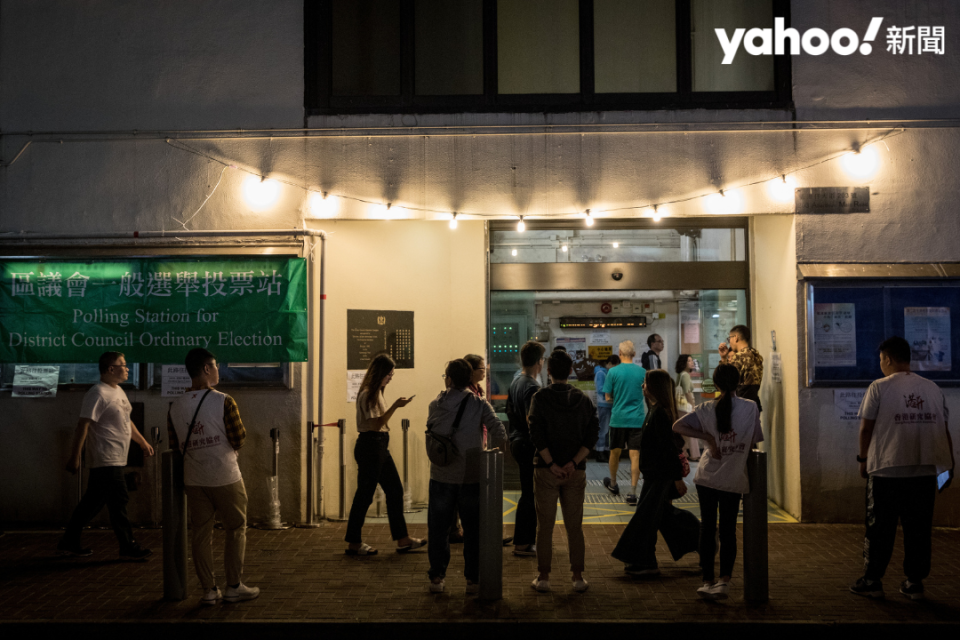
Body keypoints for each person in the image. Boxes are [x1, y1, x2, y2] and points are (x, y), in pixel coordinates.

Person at [848, 337, 954, 601]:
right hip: (924, 471)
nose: (880, 364)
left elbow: (866, 428)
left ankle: (873, 580)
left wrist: (863, 460)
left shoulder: (879, 387)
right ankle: (914, 582)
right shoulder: (932, 388)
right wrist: (948, 465)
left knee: (879, 529)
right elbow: (944, 430)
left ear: (888, 359)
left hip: (886, 470)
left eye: (881, 359)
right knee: (918, 529)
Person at [167, 348, 258, 605]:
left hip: (194, 479)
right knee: (236, 528)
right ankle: (233, 586)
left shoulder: (175, 406)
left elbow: (175, 445)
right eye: (216, 365)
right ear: (206, 369)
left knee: (201, 534)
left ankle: (208, 590)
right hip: (225, 475)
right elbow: (239, 438)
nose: (218, 370)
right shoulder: (224, 401)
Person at [673, 363, 763, 601]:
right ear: (738, 382)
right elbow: (755, 439)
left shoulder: (705, 408)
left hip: (707, 477)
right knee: (728, 531)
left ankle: (707, 581)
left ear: (716, 385)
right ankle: (724, 581)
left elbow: (677, 425)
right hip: (734, 478)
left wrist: (709, 439)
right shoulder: (751, 407)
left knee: (707, 528)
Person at [58, 351, 154, 560]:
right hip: (105, 457)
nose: (127, 368)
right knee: (119, 500)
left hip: (117, 457)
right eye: (123, 365)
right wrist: (75, 457)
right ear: (111, 369)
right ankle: (128, 546)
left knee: (92, 503)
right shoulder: (97, 393)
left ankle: (69, 541)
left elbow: (127, 420)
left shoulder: (118, 391)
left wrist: (142, 442)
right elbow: (83, 425)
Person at [427, 359, 508, 594]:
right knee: (473, 531)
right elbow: (499, 432)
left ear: (449, 379)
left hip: (441, 475)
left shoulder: (435, 404)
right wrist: (489, 453)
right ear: (470, 378)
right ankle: (472, 580)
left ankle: (437, 579)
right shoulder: (479, 404)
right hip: (471, 477)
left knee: (439, 528)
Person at [611, 370, 699, 577]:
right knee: (661, 518)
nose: (643, 386)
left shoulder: (660, 413)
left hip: (661, 477)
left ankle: (645, 562)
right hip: (654, 476)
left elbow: (669, 449)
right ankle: (701, 540)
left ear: (654, 387)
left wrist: (677, 479)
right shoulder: (655, 411)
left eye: (645, 383)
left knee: (645, 519)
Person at [528, 350, 599, 593]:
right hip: (575, 471)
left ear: (548, 371)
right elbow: (593, 434)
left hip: (546, 471)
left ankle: (544, 577)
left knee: (544, 526)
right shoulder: (583, 399)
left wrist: (551, 464)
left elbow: (535, 433)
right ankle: (577, 577)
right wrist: (573, 462)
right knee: (574, 526)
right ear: (570, 371)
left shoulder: (540, 398)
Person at [345, 354, 425, 556]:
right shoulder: (368, 395)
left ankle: (402, 539)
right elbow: (376, 424)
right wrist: (396, 407)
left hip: (378, 445)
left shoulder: (376, 393)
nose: (391, 377)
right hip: (372, 446)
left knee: (394, 490)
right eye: (389, 373)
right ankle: (354, 542)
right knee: (365, 494)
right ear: (381, 373)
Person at [506, 340, 546, 557]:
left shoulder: (516, 381)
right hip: (527, 444)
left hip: (517, 441)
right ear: (539, 361)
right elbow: (533, 420)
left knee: (527, 493)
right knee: (530, 494)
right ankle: (523, 542)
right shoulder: (531, 386)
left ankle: (523, 541)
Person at [602, 340, 646, 505]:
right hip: (637, 419)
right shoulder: (643, 372)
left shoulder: (612, 372)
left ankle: (613, 484)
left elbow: (607, 397)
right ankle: (633, 493)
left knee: (615, 453)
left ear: (619, 354)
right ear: (634, 354)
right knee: (635, 456)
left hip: (618, 419)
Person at [718, 324, 764, 412]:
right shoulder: (756, 355)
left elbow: (724, 382)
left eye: (729, 338)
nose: (729, 342)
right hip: (753, 405)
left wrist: (723, 359)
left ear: (736, 337)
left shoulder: (739, 356)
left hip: (740, 405)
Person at [593, 355, 620, 463]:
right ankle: (599, 452)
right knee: (603, 429)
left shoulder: (607, 373)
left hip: (610, 405)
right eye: (614, 366)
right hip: (604, 405)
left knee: (609, 430)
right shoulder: (601, 373)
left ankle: (606, 451)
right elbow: (600, 389)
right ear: (609, 363)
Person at [675, 354, 700, 461]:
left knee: (683, 432)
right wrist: (693, 406)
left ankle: (684, 452)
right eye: (689, 361)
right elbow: (687, 392)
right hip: (686, 407)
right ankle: (695, 455)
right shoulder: (685, 375)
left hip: (680, 407)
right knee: (692, 431)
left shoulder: (680, 374)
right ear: (684, 363)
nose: (692, 362)